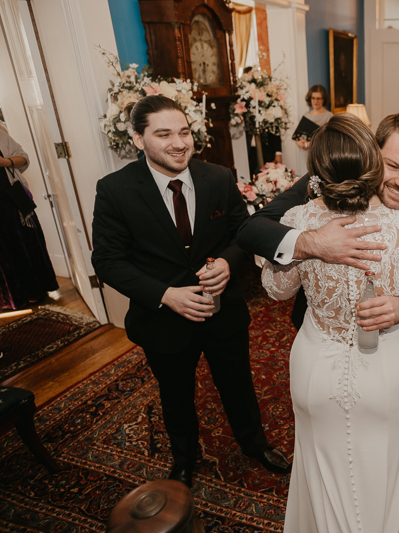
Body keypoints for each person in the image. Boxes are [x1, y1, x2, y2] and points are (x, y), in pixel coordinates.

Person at [261, 113, 399, 532]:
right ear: (370, 155)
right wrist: (304, 243)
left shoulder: (302, 219)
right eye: (394, 166)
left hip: (318, 363)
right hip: (379, 366)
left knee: (328, 461)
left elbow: (275, 288)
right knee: (381, 455)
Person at [91, 95, 290, 488]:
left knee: (237, 383)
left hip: (224, 312)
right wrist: (165, 294)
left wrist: (229, 263)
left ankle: (254, 443)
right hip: (162, 319)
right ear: (137, 139)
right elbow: (108, 261)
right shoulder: (115, 190)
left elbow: (243, 234)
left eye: (183, 132)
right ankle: (184, 459)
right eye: (163, 134)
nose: (178, 142)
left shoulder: (217, 177)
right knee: (175, 394)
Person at [238, 112, 399, 347]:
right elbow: (251, 229)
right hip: (320, 334)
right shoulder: (332, 175)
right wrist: (312, 243)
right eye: (392, 165)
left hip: (390, 339)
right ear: (372, 152)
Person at [0, 125, 58, 309]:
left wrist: (5, 162)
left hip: (12, 201)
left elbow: (23, 157)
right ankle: (10, 299)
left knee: (26, 244)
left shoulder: (1, 135)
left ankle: (35, 290)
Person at [294, 85, 333, 151]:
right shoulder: (306, 115)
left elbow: (329, 139)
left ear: (323, 99)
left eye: (318, 98)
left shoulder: (329, 116)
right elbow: (297, 136)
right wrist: (300, 143)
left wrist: (310, 144)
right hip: (306, 154)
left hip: (321, 153)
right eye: (313, 98)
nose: (315, 101)